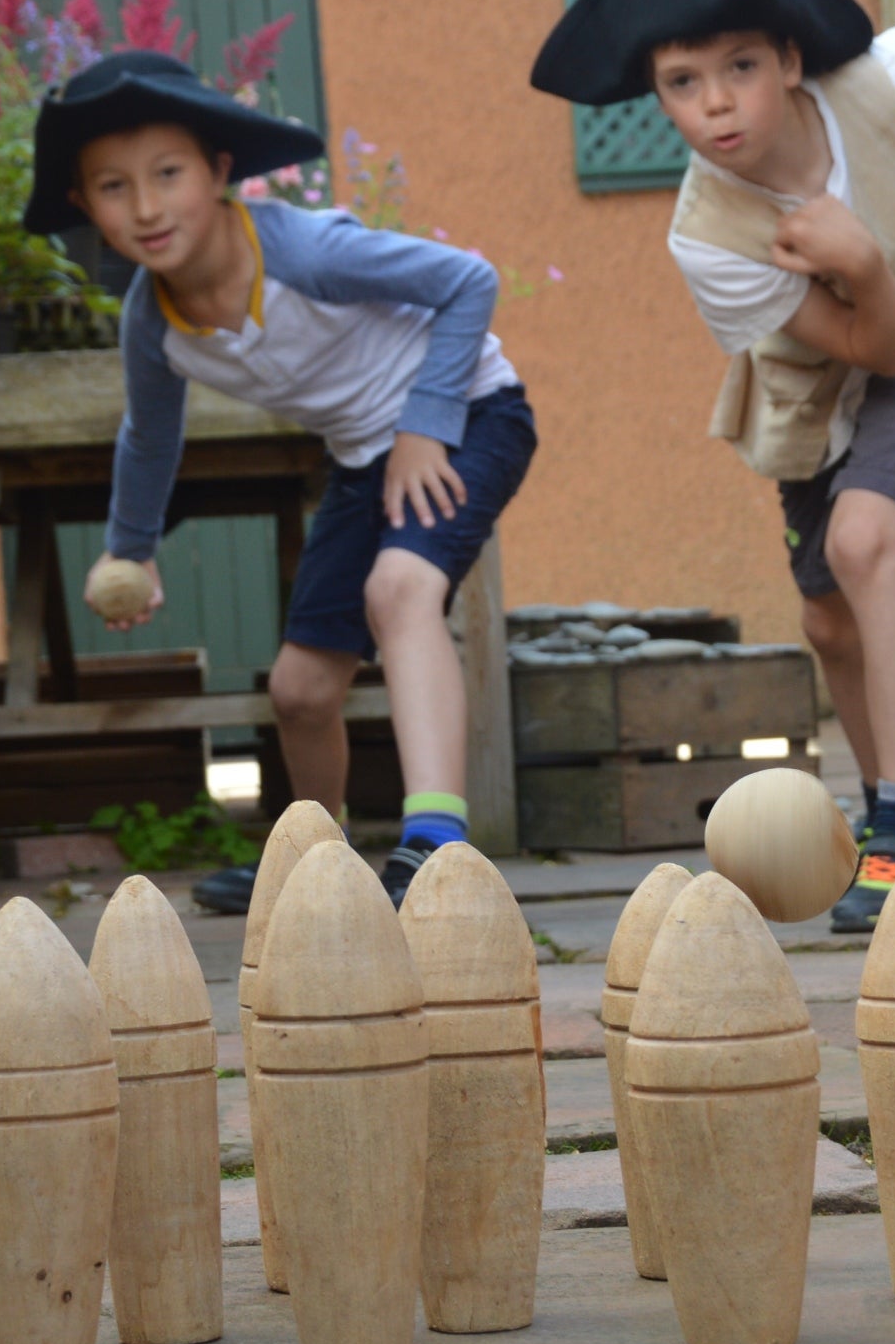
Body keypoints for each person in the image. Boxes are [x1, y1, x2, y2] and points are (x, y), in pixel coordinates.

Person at [530, 0, 895, 932]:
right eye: (682, 81)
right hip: (819, 377)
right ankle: (885, 800)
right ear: (656, 93)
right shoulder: (708, 239)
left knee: (867, 537)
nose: (715, 101)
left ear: (792, 60)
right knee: (825, 617)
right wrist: (851, 268)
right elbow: (856, 346)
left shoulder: (873, 87)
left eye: (742, 67)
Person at [38, 51, 540, 909]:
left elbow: (468, 281)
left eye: (168, 174)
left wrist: (426, 425)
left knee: (400, 589)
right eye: (115, 187)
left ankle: (436, 844)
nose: (148, 207)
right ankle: (317, 860)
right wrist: (131, 550)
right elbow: (150, 434)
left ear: (221, 172)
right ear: (85, 206)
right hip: (360, 459)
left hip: (468, 415)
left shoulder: (303, 251)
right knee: (300, 691)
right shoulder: (151, 324)